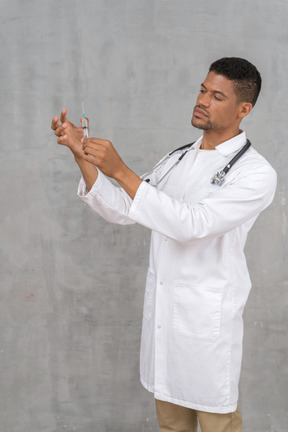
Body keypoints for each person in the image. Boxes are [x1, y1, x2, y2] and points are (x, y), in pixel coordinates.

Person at [51, 57, 277, 432]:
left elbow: (193, 224)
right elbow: (126, 209)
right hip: (165, 328)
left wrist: (120, 170)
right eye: (203, 90)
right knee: (171, 427)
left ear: (244, 109)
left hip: (206, 329)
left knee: (219, 425)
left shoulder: (255, 173)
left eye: (217, 95)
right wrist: (83, 157)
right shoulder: (177, 159)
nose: (203, 99)